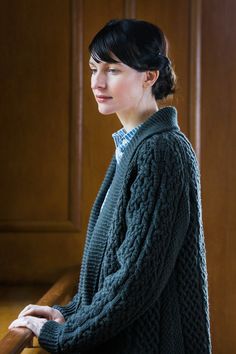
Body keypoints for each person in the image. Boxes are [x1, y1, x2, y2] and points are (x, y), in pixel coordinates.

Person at [9, 19, 212, 353]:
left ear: (149, 76)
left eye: (113, 70)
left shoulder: (160, 150)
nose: (97, 82)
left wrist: (63, 335)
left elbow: (135, 281)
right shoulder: (132, 147)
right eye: (93, 69)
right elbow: (116, 267)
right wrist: (69, 313)